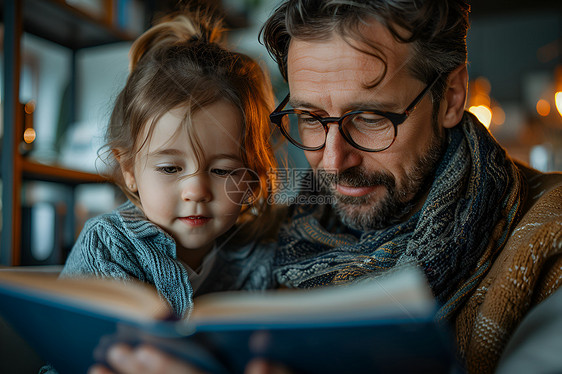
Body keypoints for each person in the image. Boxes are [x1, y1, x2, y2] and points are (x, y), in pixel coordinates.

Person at [90, 1, 562, 373]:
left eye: (371, 117)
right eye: (311, 119)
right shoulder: (285, 234)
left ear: (452, 97)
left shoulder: (547, 241)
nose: (332, 162)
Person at [61, 9, 279, 319]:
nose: (196, 191)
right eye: (170, 169)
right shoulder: (109, 246)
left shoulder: (257, 255)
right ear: (128, 170)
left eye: (222, 170)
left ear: (252, 179)